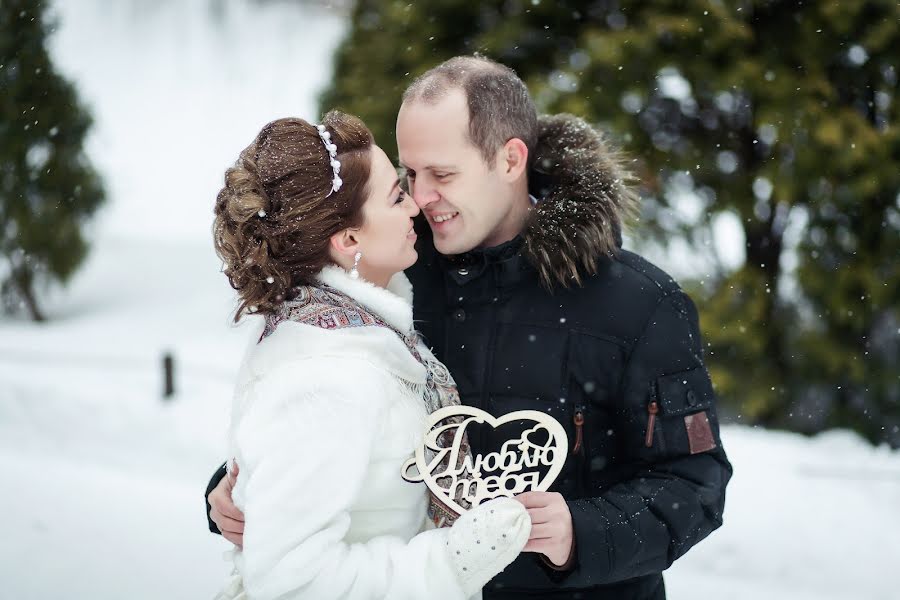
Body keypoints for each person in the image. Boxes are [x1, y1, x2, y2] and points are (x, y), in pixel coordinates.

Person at [208, 56, 733, 600]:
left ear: (510, 159)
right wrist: (236, 492)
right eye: (410, 174)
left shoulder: (639, 304)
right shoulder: (390, 283)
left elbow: (694, 483)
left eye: (443, 174)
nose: (420, 197)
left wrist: (582, 533)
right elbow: (314, 422)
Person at [209, 111, 532, 600]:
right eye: (397, 196)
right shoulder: (328, 375)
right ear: (348, 239)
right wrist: (450, 560)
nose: (415, 208)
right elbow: (292, 582)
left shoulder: (361, 338)